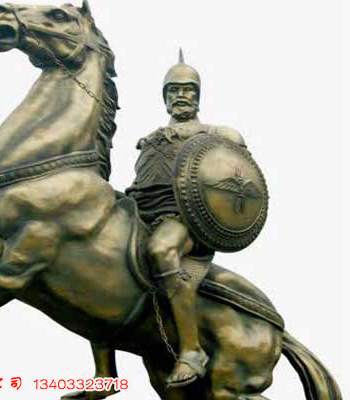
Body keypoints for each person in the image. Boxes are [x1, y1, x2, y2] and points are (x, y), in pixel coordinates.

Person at [126, 49, 246, 388]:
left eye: (188, 90)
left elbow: (236, 179)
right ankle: (105, 373)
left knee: (162, 250)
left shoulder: (213, 135)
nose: (181, 95)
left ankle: (192, 350)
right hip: (141, 212)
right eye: (174, 90)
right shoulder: (149, 140)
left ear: (198, 96)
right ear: (165, 99)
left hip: (181, 218)